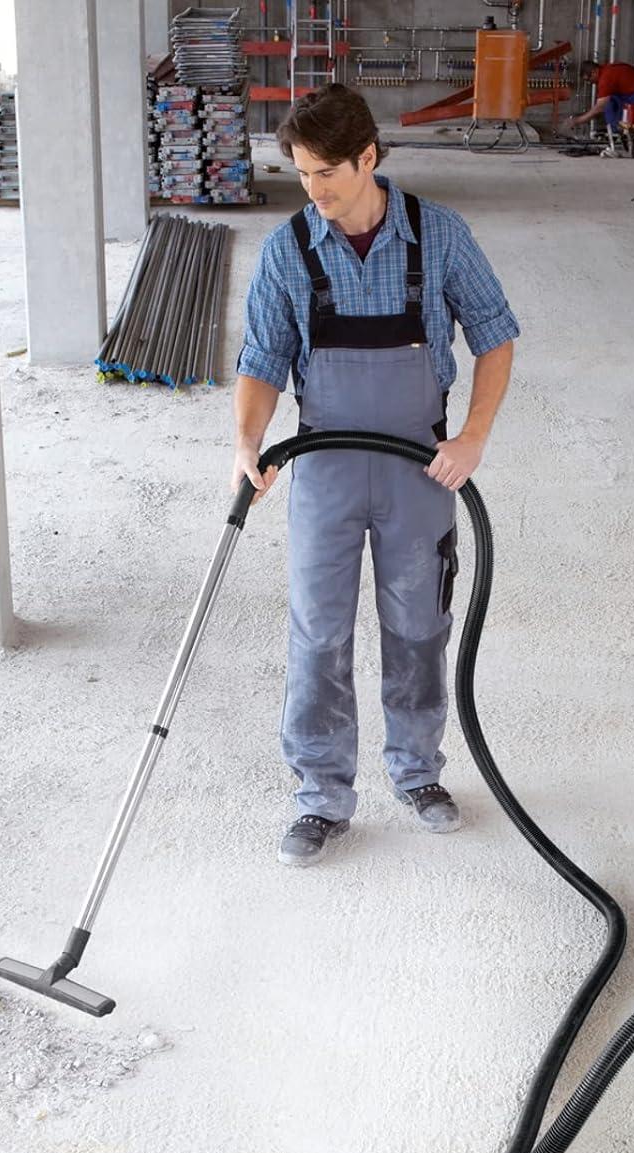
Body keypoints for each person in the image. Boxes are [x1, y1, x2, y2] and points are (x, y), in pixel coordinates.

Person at [234, 84, 518, 868]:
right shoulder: (288, 250)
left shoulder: (439, 236)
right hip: (324, 466)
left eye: (327, 172)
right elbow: (261, 360)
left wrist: (473, 437)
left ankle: (417, 773)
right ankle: (321, 796)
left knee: (418, 626)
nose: (314, 190)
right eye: (302, 173)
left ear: (368, 158)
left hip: (419, 470)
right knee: (318, 634)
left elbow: (495, 336)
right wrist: (247, 442)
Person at [569, 59, 634, 133]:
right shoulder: (606, 70)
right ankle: (616, 131)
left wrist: (576, 121)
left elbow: (599, 108)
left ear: (594, 72)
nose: (589, 83)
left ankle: (617, 133)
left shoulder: (606, 78)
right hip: (629, 94)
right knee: (610, 103)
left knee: (607, 106)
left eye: (588, 79)